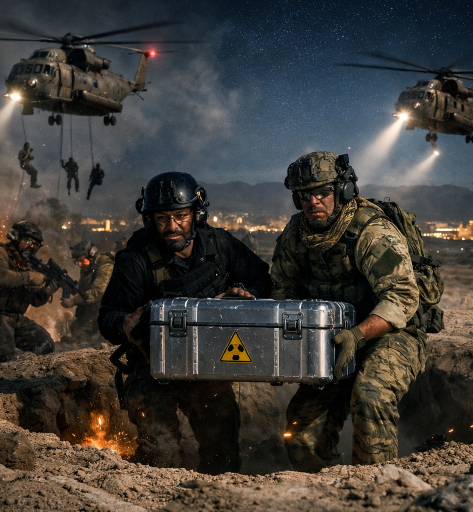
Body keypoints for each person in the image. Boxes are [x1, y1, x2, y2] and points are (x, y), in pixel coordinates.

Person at [98, 172, 272, 474]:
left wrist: (244, 295)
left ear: (197, 214)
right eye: (162, 218)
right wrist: (128, 323)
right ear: (150, 220)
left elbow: (261, 279)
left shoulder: (221, 246)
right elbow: (107, 317)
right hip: (153, 369)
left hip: (208, 366)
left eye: (181, 216)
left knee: (223, 455)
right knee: (161, 456)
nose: (172, 226)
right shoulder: (136, 259)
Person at [271, 151, 423, 471]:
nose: (313, 202)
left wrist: (358, 334)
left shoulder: (371, 230)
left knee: (370, 397)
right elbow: (284, 290)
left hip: (390, 333)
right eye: (304, 195)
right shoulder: (296, 234)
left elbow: (403, 296)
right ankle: (326, 489)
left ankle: (375, 486)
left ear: (343, 190)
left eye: (322, 192)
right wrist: (284, 351)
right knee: (301, 428)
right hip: (332, 337)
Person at [0, 221, 58, 364]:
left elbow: (35, 300)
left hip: (14, 317)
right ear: (16, 237)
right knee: (3, 353)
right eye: (28, 241)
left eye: (35, 244)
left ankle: (21, 369)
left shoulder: (26, 264)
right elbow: (1, 278)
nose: (31, 246)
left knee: (46, 345)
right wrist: (31, 277)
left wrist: (47, 291)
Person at [60, 240, 114, 342]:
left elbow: (97, 292)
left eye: (82, 260)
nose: (80, 264)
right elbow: (82, 290)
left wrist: (73, 301)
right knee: (74, 327)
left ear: (92, 255)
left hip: (107, 309)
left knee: (81, 333)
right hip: (94, 309)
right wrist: (68, 285)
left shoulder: (106, 266)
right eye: (78, 262)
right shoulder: (88, 268)